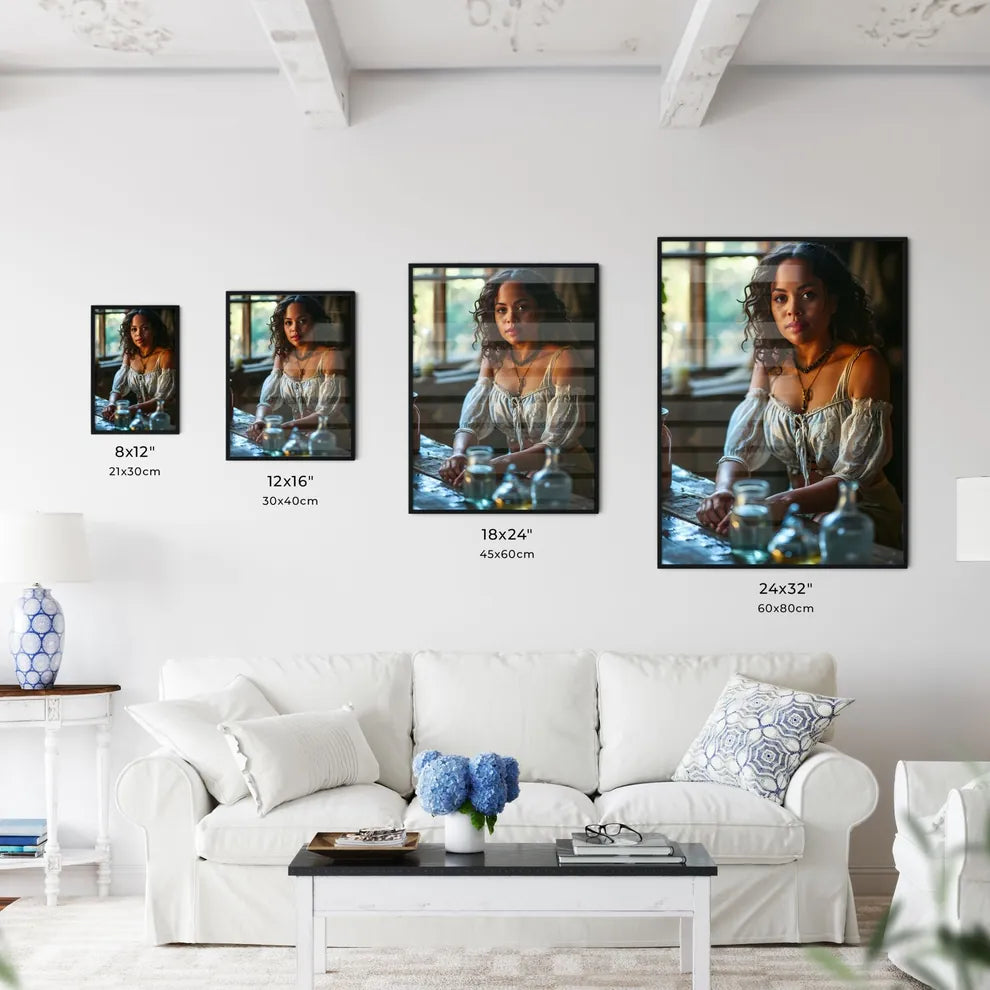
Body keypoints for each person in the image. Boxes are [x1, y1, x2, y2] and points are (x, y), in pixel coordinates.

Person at [696, 241, 903, 549]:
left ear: (833, 301)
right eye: (780, 298)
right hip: (798, 517)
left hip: (860, 516)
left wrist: (778, 503)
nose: (793, 308)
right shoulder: (769, 360)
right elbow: (740, 445)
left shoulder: (863, 364)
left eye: (808, 294)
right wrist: (724, 489)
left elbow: (852, 479)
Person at [438, 268, 593, 496]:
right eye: (502, 310)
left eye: (522, 307)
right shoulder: (494, 358)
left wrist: (493, 465)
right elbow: (471, 422)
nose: (510, 317)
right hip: (518, 478)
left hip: (565, 479)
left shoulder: (563, 359)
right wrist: (459, 453)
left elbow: (557, 443)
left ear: (541, 310)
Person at [245, 294, 346, 442]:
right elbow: (268, 400)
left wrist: (284, 427)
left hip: (332, 439)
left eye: (302, 321)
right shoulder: (283, 356)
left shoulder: (330, 356)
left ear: (316, 322)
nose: (294, 329)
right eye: (288, 322)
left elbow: (326, 413)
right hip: (299, 438)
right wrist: (259, 420)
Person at [100, 308, 175, 422]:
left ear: (154, 329)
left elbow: (163, 399)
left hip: (165, 419)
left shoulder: (166, 355)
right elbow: (118, 388)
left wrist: (132, 408)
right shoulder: (130, 353)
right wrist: (111, 404)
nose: (138, 334)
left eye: (144, 328)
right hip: (141, 417)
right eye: (133, 329)